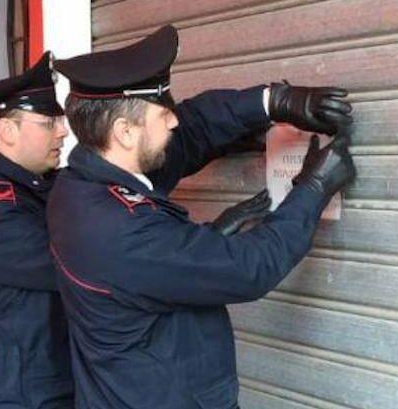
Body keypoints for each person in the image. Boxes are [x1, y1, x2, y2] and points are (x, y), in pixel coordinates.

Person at [47, 25, 356, 409]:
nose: (174, 120)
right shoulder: (118, 227)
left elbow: (191, 130)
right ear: (124, 131)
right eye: (163, 113)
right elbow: (248, 268)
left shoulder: (79, 185)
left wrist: (274, 101)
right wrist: (313, 189)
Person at [0, 52, 73, 408]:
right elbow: (79, 266)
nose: (63, 130)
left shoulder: (41, 185)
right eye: (48, 122)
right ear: (7, 130)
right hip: (23, 398)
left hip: (62, 387)